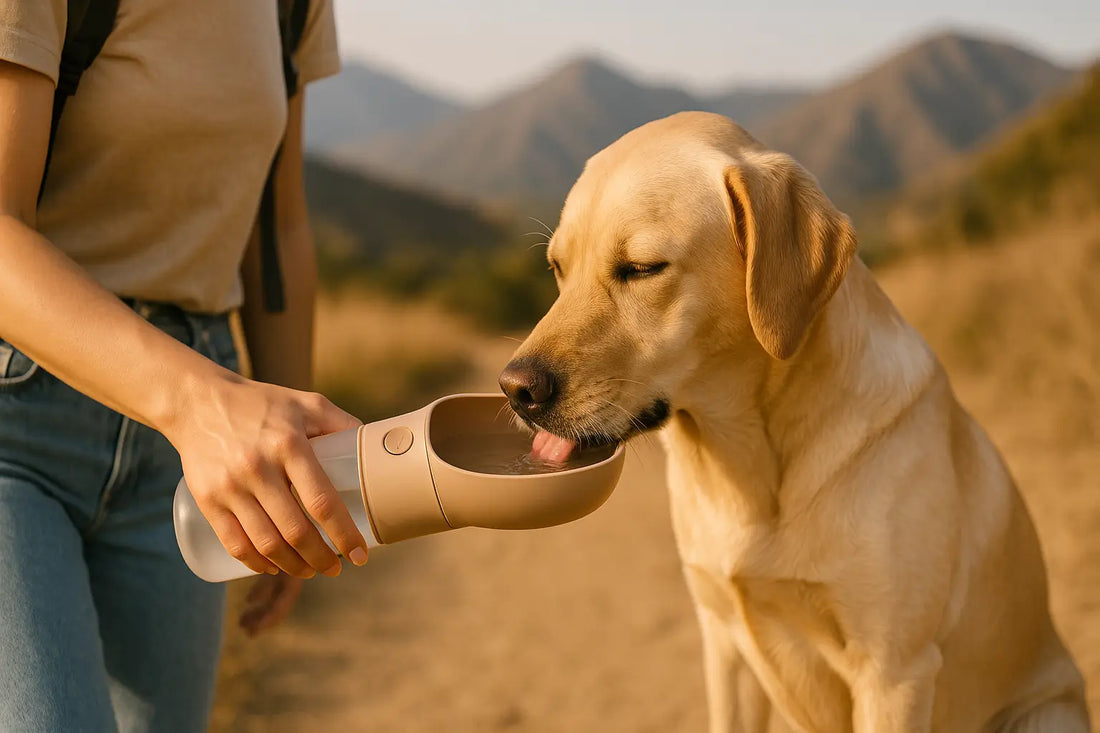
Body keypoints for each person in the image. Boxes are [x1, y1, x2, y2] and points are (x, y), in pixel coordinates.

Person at [0, 2, 371, 730]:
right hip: (21, 418)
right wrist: (200, 405)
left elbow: (278, 228)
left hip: (191, 435)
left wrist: (301, 466)